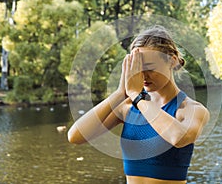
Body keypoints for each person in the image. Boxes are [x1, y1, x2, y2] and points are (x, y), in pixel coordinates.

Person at [68, 25, 210, 184]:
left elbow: (179, 138)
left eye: (149, 67)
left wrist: (136, 96)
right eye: (137, 68)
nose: (143, 75)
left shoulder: (191, 109)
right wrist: (120, 93)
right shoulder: (127, 108)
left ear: (172, 60)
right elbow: (75, 136)